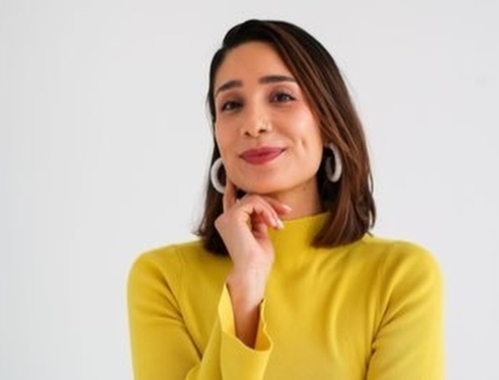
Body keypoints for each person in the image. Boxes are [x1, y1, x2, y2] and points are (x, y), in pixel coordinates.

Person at [127, 19, 443, 380]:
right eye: (231, 104)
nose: (254, 123)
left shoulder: (400, 277)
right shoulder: (163, 279)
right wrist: (245, 289)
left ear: (327, 120)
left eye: (281, 96)